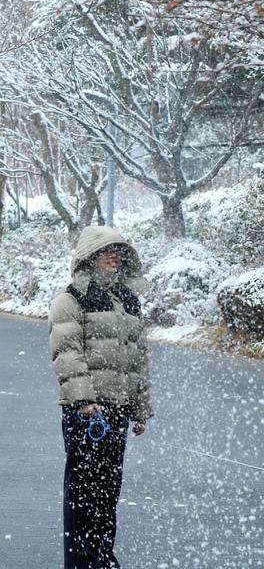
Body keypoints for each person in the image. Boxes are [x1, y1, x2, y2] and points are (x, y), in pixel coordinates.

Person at [48, 225, 153, 569]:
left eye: (118, 251)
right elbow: (67, 354)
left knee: (107, 493)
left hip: (118, 410)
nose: (114, 256)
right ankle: (81, 562)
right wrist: (83, 401)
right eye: (106, 251)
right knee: (82, 492)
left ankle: (102, 560)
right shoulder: (70, 300)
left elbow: (137, 360)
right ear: (89, 258)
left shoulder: (128, 302)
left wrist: (139, 408)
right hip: (87, 412)